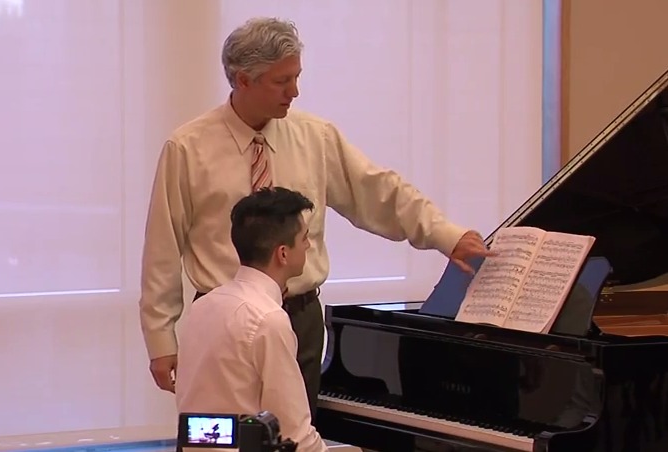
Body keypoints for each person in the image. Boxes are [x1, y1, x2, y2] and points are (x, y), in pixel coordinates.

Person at [139, 16, 493, 418]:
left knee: (294, 434)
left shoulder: (315, 136)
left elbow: (379, 193)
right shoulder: (187, 148)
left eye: (296, 77)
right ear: (242, 80)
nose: (295, 92)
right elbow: (162, 250)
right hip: (222, 320)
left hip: (298, 320)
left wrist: (446, 235)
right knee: (220, 440)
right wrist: (160, 340)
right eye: (281, 81)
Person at [175, 187, 328, 452]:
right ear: (283, 253)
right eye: (304, 238)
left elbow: (200, 423)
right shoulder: (269, 320)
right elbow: (295, 434)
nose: (308, 245)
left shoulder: (203, 306)